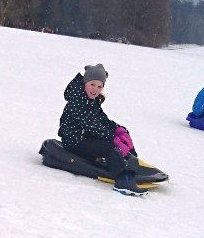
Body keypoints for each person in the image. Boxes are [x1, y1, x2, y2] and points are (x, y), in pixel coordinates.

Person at [58, 64, 146, 196]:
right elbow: (90, 125)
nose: (95, 89)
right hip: (75, 141)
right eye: (92, 84)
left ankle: (133, 165)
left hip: (86, 137)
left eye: (99, 86)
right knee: (110, 148)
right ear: (85, 83)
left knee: (122, 135)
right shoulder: (77, 100)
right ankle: (123, 181)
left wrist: (118, 130)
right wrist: (112, 138)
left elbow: (102, 120)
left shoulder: (91, 100)